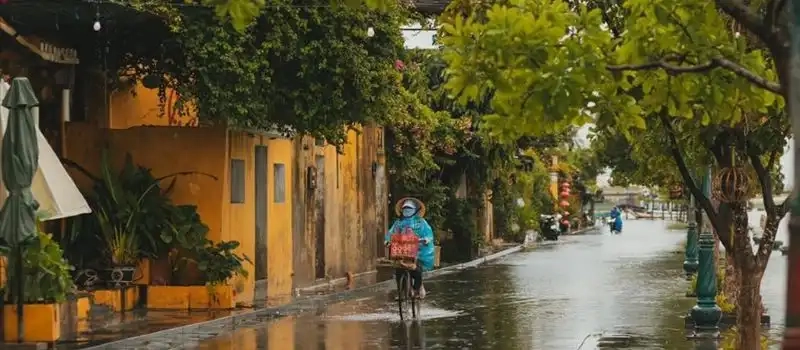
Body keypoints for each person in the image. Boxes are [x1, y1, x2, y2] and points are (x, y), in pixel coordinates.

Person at [385, 198, 434, 298]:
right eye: (405, 208)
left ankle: (417, 287)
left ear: (415, 210)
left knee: (417, 270)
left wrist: (426, 239)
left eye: (409, 208)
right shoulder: (398, 222)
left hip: (418, 250)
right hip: (402, 250)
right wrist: (387, 240)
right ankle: (401, 292)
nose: (407, 210)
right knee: (399, 270)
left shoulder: (421, 222)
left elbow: (428, 233)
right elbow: (391, 232)